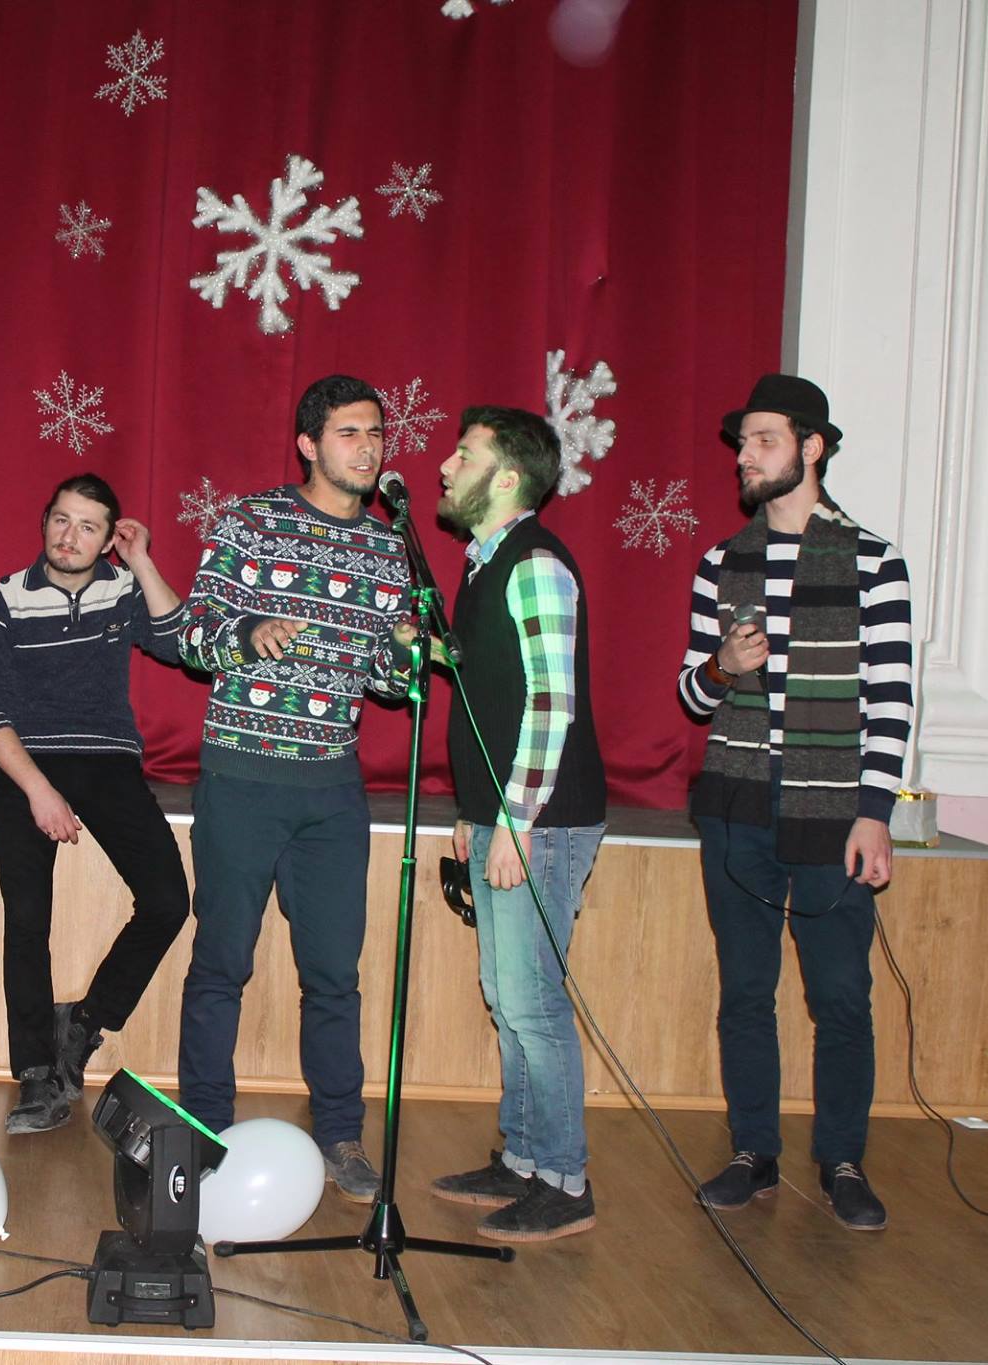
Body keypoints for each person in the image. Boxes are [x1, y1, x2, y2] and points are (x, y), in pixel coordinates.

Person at [677, 374, 913, 1231]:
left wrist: (875, 812)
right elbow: (692, 694)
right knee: (746, 989)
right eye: (743, 442)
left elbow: (892, 699)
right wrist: (722, 667)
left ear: (812, 447)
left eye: (764, 440)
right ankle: (754, 1152)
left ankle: (843, 1160)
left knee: (841, 993)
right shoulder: (722, 562)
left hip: (834, 810)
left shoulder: (874, 561)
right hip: (737, 803)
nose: (745, 455)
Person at [175, 374, 416, 1202]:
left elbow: (387, 682)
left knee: (334, 974)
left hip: (333, 788)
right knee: (221, 964)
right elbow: (192, 635)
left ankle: (341, 1135)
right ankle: (204, 1128)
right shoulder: (251, 521)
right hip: (243, 775)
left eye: (376, 433)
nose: (369, 447)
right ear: (310, 444)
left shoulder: (390, 548)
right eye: (350, 432)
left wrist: (408, 650)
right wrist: (249, 631)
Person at [425, 407, 607, 1242]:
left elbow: (551, 703)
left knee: (532, 1001)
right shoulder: (485, 563)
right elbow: (487, 697)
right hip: (506, 815)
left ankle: (566, 1180)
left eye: (464, 455)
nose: (445, 466)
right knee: (507, 996)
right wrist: (475, 813)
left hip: (544, 820)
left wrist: (517, 819)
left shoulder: (534, 564)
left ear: (505, 477)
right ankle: (525, 1157)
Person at [0, 474, 190, 1134]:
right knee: (27, 920)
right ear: (44, 521)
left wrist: (142, 561)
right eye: (61, 520)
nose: (70, 536)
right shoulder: (3, 600)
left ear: (108, 538)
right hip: (27, 762)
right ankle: (37, 1076)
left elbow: (179, 642)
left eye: (89, 526)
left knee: (168, 901)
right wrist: (38, 790)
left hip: (107, 760)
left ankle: (84, 1024)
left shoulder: (123, 590)